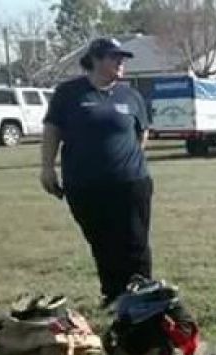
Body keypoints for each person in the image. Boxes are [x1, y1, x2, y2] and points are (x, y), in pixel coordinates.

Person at [40, 38, 153, 308]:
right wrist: (47, 167)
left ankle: (143, 296)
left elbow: (142, 132)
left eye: (122, 59)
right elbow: (52, 130)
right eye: (115, 57)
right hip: (85, 184)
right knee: (101, 241)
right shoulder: (69, 93)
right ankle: (113, 294)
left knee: (135, 241)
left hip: (130, 181)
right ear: (96, 60)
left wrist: (128, 157)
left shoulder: (130, 95)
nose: (121, 63)